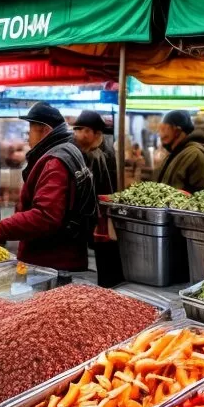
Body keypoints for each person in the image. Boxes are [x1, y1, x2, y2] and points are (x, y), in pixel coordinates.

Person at [0, 103, 97, 276]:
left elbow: (45, 216)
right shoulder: (68, 150)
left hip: (52, 263)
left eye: (30, 131)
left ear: (44, 130)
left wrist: (2, 227)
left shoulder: (54, 162)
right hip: (62, 257)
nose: (28, 138)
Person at [73, 110, 123, 287]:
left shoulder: (103, 156)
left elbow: (106, 191)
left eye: (85, 130)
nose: (80, 135)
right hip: (94, 219)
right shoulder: (89, 152)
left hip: (103, 219)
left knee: (106, 265)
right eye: (78, 130)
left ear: (97, 133)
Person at [155, 110, 204, 193]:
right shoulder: (176, 153)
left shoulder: (195, 155)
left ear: (177, 131)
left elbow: (201, 197)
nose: (160, 135)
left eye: (164, 129)